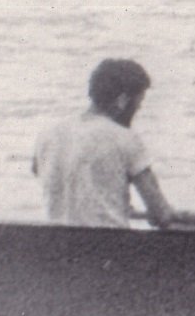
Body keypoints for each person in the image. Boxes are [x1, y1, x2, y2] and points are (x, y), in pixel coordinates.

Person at [34, 57, 175, 227]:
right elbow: (161, 212)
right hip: (107, 249)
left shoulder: (49, 135)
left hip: (55, 248)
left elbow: (51, 175)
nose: (139, 109)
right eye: (139, 101)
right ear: (122, 100)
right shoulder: (125, 138)